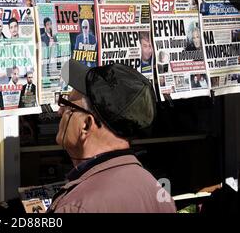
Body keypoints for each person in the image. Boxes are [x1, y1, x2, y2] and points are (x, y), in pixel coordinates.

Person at [48, 60, 176, 213]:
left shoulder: (77, 206)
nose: (60, 112)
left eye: (67, 104)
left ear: (86, 125)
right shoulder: (158, 194)